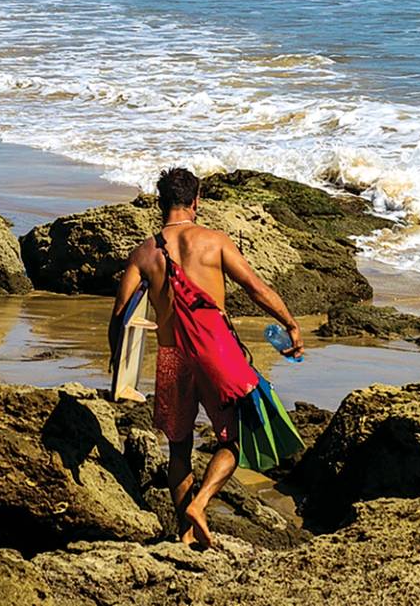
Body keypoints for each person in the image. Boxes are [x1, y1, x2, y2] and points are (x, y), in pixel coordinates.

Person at [112, 166, 305, 548]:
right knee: (234, 437)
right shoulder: (214, 241)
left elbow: (120, 316)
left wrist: (119, 368)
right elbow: (255, 288)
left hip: (172, 357)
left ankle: (186, 536)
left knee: (179, 449)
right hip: (216, 352)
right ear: (196, 202)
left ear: (160, 202)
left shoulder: (143, 253)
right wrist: (290, 324)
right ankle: (199, 505)